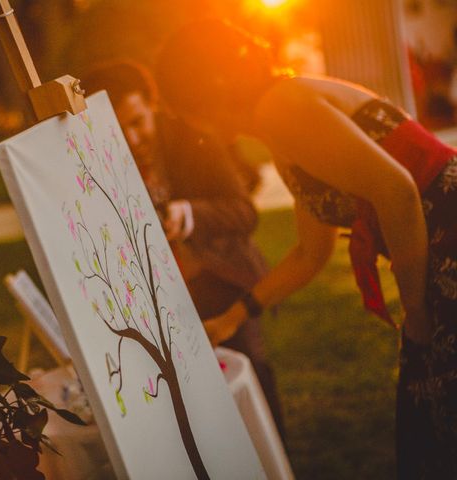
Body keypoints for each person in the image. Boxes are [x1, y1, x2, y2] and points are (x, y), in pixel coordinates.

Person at [155, 18, 457, 479]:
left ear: (203, 88)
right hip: (437, 253)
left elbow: (397, 192)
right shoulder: (279, 126)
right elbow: (309, 254)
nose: (183, 120)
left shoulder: (283, 105)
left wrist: (415, 313)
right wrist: (236, 315)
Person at [80, 60, 286, 437]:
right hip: (161, 300)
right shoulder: (96, 161)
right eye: (117, 128)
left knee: (249, 383)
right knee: (193, 409)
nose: (132, 137)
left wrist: (188, 213)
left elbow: (245, 211)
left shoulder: (193, 139)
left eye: (138, 121)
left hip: (223, 283)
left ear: (152, 103)